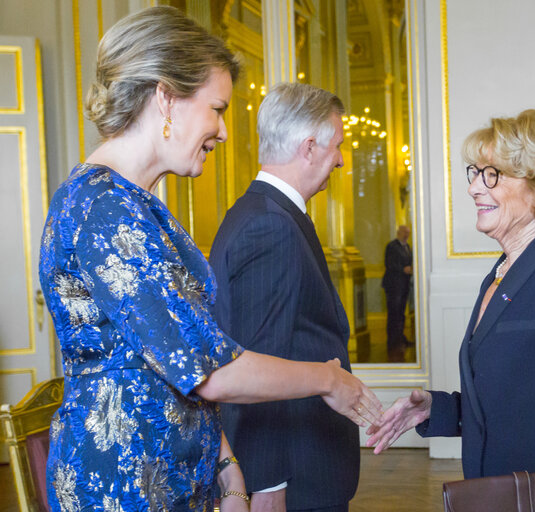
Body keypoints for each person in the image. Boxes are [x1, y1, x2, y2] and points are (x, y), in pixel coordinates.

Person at [38, 8, 381, 511]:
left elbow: (183, 353)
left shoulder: (137, 205)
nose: (222, 132)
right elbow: (210, 370)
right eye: (217, 108)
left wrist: (226, 466)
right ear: (165, 98)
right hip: (128, 485)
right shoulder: (105, 209)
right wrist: (328, 378)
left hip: (173, 476)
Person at [366, 111, 535, 511]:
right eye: (475, 172)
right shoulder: (499, 275)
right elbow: (513, 401)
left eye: (493, 174)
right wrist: (436, 410)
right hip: (497, 496)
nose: (473, 187)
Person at [208, 82, 359, 512]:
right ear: (309, 147)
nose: (341, 160)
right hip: (295, 474)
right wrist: (268, 482)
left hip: (305, 461)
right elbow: (256, 357)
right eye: (337, 146)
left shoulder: (264, 214)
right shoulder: (269, 226)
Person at [381, 224, 413, 358]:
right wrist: (403, 269)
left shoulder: (408, 247)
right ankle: (393, 341)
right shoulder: (392, 246)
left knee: (401, 313)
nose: (406, 235)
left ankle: (400, 338)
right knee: (394, 314)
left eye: (408, 233)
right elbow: (389, 264)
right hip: (393, 286)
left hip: (404, 285)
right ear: (398, 232)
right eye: (404, 232)